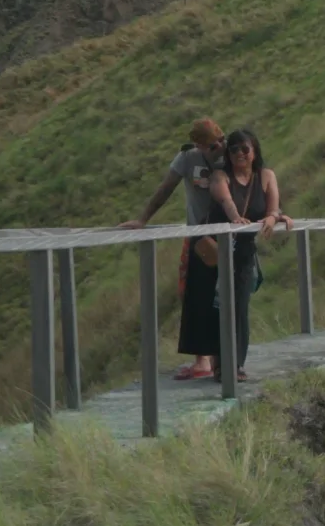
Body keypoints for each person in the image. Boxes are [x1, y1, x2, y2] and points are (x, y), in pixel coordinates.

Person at [119, 118, 227, 380]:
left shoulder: (231, 155)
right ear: (198, 144)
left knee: (222, 296)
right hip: (196, 236)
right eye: (212, 144)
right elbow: (166, 188)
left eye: (220, 140)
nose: (218, 147)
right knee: (191, 293)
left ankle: (220, 359)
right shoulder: (187, 158)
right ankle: (202, 360)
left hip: (225, 234)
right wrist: (143, 219)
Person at [193, 128, 288, 381]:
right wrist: (236, 218)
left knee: (239, 307)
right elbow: (226, 201)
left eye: (245, 148)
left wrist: (273, 217)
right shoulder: (220, 176)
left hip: (243, 251)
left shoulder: (266, 176)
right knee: (215, 307)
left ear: (255, 150)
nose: (239, 154)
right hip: (214, 249)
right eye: (233, 149)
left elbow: (273, 207)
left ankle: (235, 365)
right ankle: (222, 366)